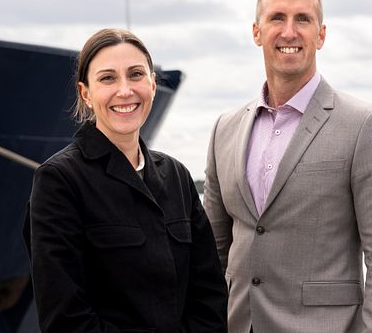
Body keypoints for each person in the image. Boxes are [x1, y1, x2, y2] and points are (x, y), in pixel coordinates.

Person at [203, 0, 372, 333]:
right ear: (256, 32)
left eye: (303, 19)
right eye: (276, 18)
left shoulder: (366, 126)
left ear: (321, 34)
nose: (289, 32)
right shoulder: (226, 129)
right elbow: (213, 252)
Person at [24, 29, 228, 333]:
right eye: (107, 78)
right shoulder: (59, 181)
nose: (124, 91)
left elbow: (209, 297)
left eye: (135, 75)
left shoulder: (176, 176)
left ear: (153, 85)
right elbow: (65, 317)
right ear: (86, 94)